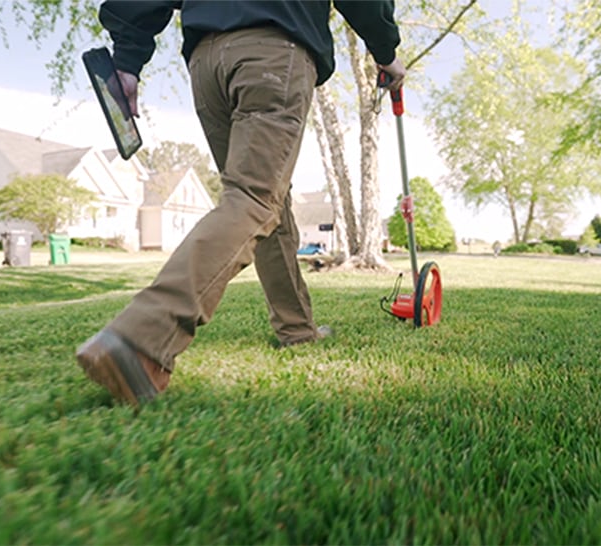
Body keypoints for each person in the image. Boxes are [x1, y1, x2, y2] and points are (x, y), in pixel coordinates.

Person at [76, 0, 406, 407]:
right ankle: (141, 337)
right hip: (273, 49)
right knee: (254, 199)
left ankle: (296, 329)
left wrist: (127, 60)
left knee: (265, 200)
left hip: (207, 63)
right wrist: (386, 52)